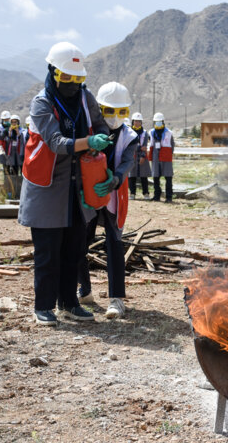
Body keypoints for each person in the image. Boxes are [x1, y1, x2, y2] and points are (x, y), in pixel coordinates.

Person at [18, 41, 113, 326]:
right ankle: (44, 307)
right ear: (52, 72)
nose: (73, 84)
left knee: (74, 250)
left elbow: (102, 126)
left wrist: (102, 148)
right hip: (47, 188)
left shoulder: (86, 99)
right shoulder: (42, 103)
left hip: (77, 187)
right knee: (48, 252)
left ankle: (69, 304)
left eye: (78, 79)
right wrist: (88, 142)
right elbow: (57, 142)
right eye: (66, 78)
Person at [77, 82, 138, 319]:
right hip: (88, 194)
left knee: (114, 242)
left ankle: (116, 299)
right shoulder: (88, 132)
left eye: (121, 112)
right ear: (99, 108)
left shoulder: (130, 136)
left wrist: (116, 178)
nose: (115, 117)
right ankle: (85, 290)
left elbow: (127, 161)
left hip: (114, 195)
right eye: (109, 111)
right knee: (80, 242)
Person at [148, 112, 175, 203]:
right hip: (156, 157)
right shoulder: (151, 132)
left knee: (168, 177)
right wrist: (151, 157)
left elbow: (172, 145)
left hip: (166, 156)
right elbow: (151, 145)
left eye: (159, 122)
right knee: (155, 177)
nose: (158, 123)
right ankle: (157, 196)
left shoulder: (169, 133)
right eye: (156, 122)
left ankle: (169, 197)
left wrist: (168, 154)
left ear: (163, 122)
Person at [128, 112, 151, 200]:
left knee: (143, 176)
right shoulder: (129, 132)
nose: (137, 123)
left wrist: (143, 155)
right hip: (132, 155)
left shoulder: (145, 133)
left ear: (141, 122)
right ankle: (132, 193)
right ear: (133, 122)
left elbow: (145, 146)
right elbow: (130, 145)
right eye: (135, 121)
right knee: (132, 175)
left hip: (142, 156)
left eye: (139, 121)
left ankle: (146, 193)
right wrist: (139, 147)